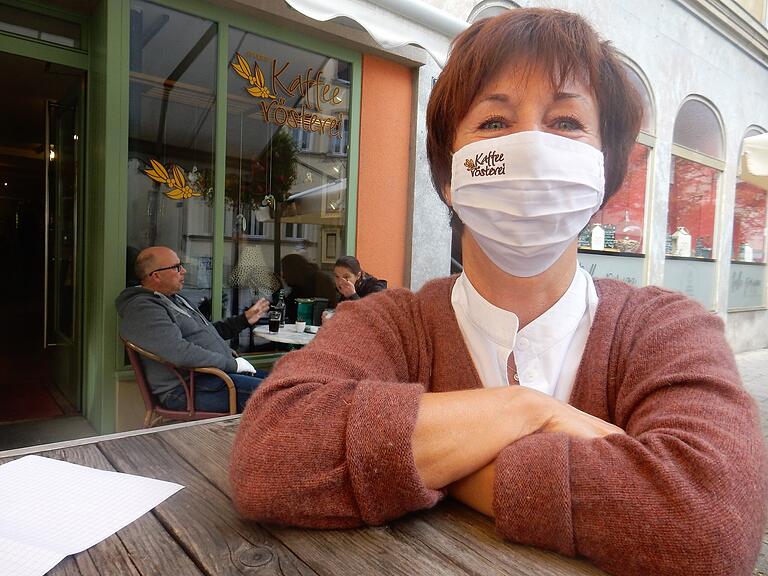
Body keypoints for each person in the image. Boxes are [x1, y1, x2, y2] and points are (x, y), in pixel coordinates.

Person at [230, 9, 767, 576]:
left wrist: (449, 458)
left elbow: (711, 521)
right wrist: (527, 409)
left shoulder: (667, 328)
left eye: (565, 122)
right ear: (447, 176)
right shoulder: (391, 322)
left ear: (604, 173)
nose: (531, 145)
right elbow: (271, 456)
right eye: (492, 123)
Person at [117, 246, 270, 413]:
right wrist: (232, 365)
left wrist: (243, 320)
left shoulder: (176, 299)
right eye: (176, 267)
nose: (184, 271)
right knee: (282, 396)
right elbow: (179, 352)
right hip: (187, 390)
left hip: (214, 379)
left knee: (288, 384)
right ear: (156, 276)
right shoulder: (143, 309)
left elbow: (206, 334)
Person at [279, 253, 337, 321]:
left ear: (293, 271)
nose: (283, 276)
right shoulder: (301, 284)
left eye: (285, 271)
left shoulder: (318, 282)